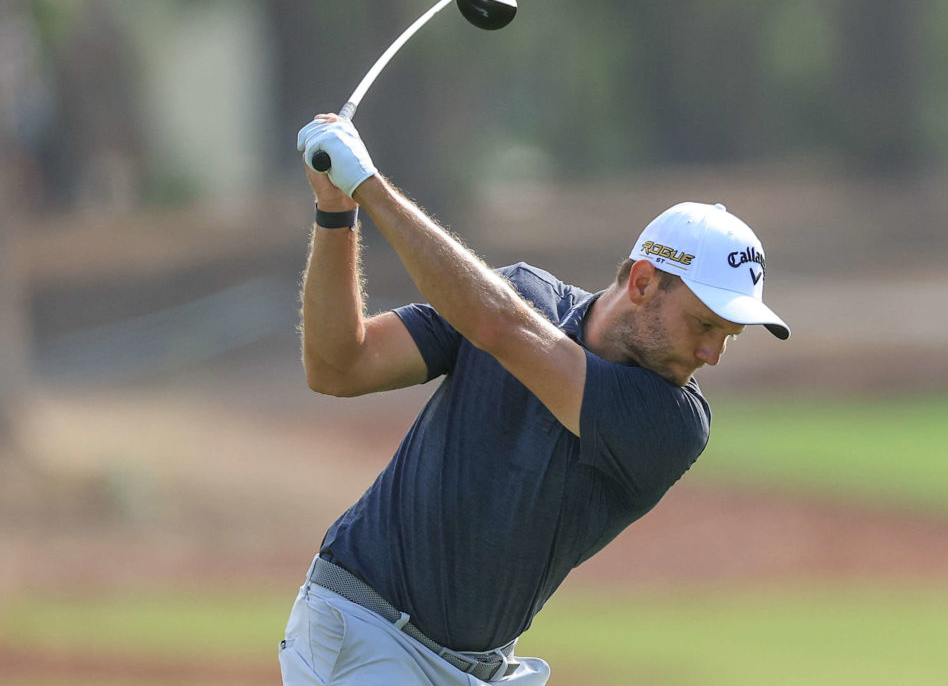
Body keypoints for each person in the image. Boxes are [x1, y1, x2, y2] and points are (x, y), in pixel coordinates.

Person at [281, 114, 790, 686]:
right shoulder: (521, 295)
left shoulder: (671, 423)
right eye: (704, 324)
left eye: (729, 336)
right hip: (363, 633)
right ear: (644, 283)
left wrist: (368, 184)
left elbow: (501, 330)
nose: (713, 354)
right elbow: (338, 365)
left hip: (482, 668)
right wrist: (336, 210)